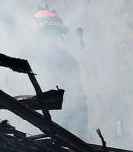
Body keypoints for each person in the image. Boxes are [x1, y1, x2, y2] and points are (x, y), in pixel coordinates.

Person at [24, 7, 88, 135]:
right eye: (47, 32)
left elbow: (78, 101)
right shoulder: (22, 58)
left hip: (61, 130)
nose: (51, 37)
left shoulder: (69, 62)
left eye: (54, 32)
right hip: (28, 129)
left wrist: (80, 132)